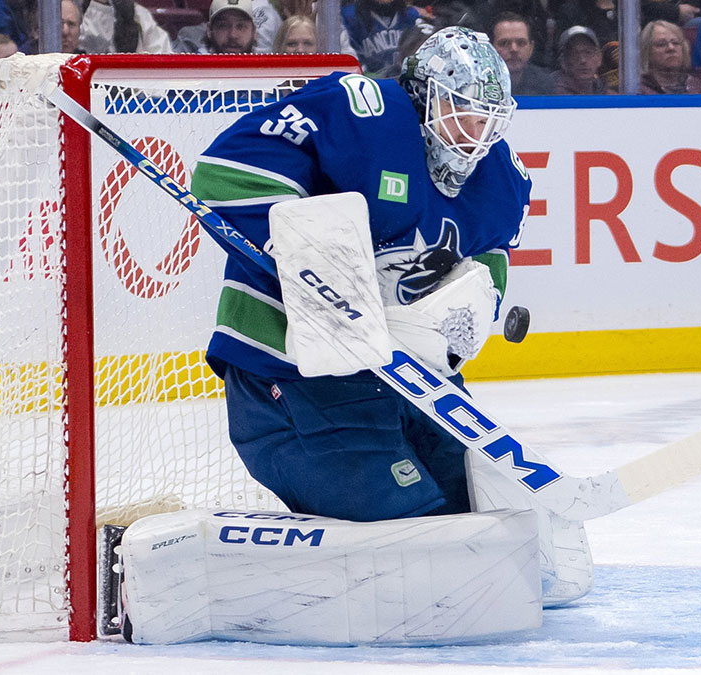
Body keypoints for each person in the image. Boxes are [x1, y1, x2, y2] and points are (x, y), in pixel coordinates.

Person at [189, 26, 530, 532]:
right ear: (422, 96)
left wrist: (475, 307)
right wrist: (313, 259)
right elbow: (224, 174)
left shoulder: (500, 173)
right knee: (413, 521)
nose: (475, 136)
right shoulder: (364, 112)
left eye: (487, 121)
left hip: (413, 380)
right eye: (461, 112)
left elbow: (490, 253)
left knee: (485, 509)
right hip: (293, 371)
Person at [342, 0, 429, 77]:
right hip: (369, 88)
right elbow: (348, 66)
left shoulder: (412, 17)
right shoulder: (349, 18)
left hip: (406, 88)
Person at [639, 19, 701, 93]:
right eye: (661, 44)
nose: (671, 48)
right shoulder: (639, 88)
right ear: (647, 51)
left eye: (676, 43)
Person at [490, 11, 555, 95]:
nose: (514, 49)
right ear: (490, 49)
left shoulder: (546, 84)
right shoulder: (478, 82)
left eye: (521, 43)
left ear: (531, 48)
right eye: (504, 43)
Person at [80, 0, 172, 54]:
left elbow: (162, 56)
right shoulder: (72, 8)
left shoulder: (140, 15)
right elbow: (93, 46)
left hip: (135, 82)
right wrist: (100, 5)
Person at [173, 0, 255, 54]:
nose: (232, 35)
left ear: (254, 32)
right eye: (223, 26)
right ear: (209, 30)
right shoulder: (193, 66)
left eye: (241, 27)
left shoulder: (264, 70)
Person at [552, 24, 611, 94]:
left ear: (599, 58)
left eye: (588, 53)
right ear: (563, 62)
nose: (583, 60)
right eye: (574, 54)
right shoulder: (551, 94)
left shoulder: (606, 93)